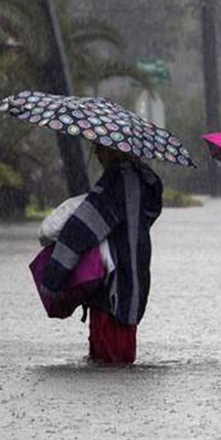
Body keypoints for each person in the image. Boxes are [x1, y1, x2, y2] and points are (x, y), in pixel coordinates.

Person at [42, 143, 163, 364]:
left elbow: (80, 231)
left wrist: (52, 279)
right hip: (134, 285)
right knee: (121, 363)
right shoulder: (143, 181)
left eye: (99, 148)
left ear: (115, 149)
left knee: (107, 367)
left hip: (112, 290)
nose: (96, 153)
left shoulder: (115, 182)